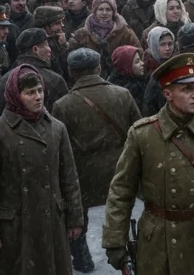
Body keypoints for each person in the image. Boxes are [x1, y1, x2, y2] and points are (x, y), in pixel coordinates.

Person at [101, 53, 194, 275]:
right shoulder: (142, 134)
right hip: (158, 245)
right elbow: (121, 190)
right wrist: (115, 239)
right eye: (187, 89)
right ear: (167, 94)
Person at [0, 64, 85, 275]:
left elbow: (69, 177)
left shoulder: (57, 128)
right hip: (13, 228)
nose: (38, 97)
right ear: (15, 95)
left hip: (51, 222)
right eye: (30, 93)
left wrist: (75, 218)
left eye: (40, 91)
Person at [51, 48, 142, 272]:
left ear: (71, 73)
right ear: (99, 68)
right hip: (121, 166)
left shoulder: (62, 105)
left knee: (78, 215)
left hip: (84, 172)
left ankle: (82, 258)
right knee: (124, 210)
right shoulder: (123, 94)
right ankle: (130, 253)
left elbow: (61, 147)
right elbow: (139, 131)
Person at [0, 28, 68, 119]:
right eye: (46, 45)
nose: (50, 50)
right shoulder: (54, 80)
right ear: (35, 49)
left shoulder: (2, 81)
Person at [67, 0, 141, 77]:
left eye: (108, 9)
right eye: (100, 9)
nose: (104, 13)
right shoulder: (82, 33)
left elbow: (139, 54)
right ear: (95, 11)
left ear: (114, 12)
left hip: (120, 79)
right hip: (90, 78)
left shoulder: (125, 33)